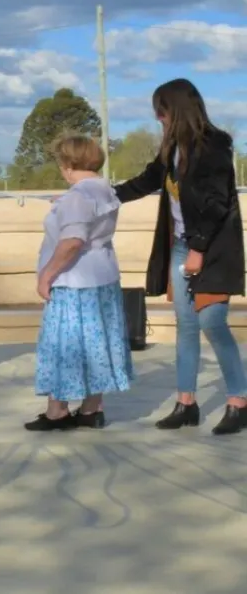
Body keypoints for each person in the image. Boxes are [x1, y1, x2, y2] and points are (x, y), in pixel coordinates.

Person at [113, 78, 247, 435]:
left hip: (213, 249)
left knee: (212, 324)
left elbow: (217, 203)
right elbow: (145, 181)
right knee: (186, 327)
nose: (158, 118)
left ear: (177, 110)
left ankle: (239, 401)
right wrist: (102, 196)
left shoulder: (215, 145)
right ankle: (185, 403)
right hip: (181, 247)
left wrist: (199, 251)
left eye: (162, 110)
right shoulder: (170, 148)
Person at [26, 133, 134, 431]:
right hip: (103, 276)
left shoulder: (78, 197)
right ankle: (91, 408)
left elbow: (73, 241)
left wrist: (47, 274)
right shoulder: (104, 191)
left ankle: (57, 411)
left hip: (74, 280)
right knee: (96, 342)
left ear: (67, 163)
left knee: (64, 344)